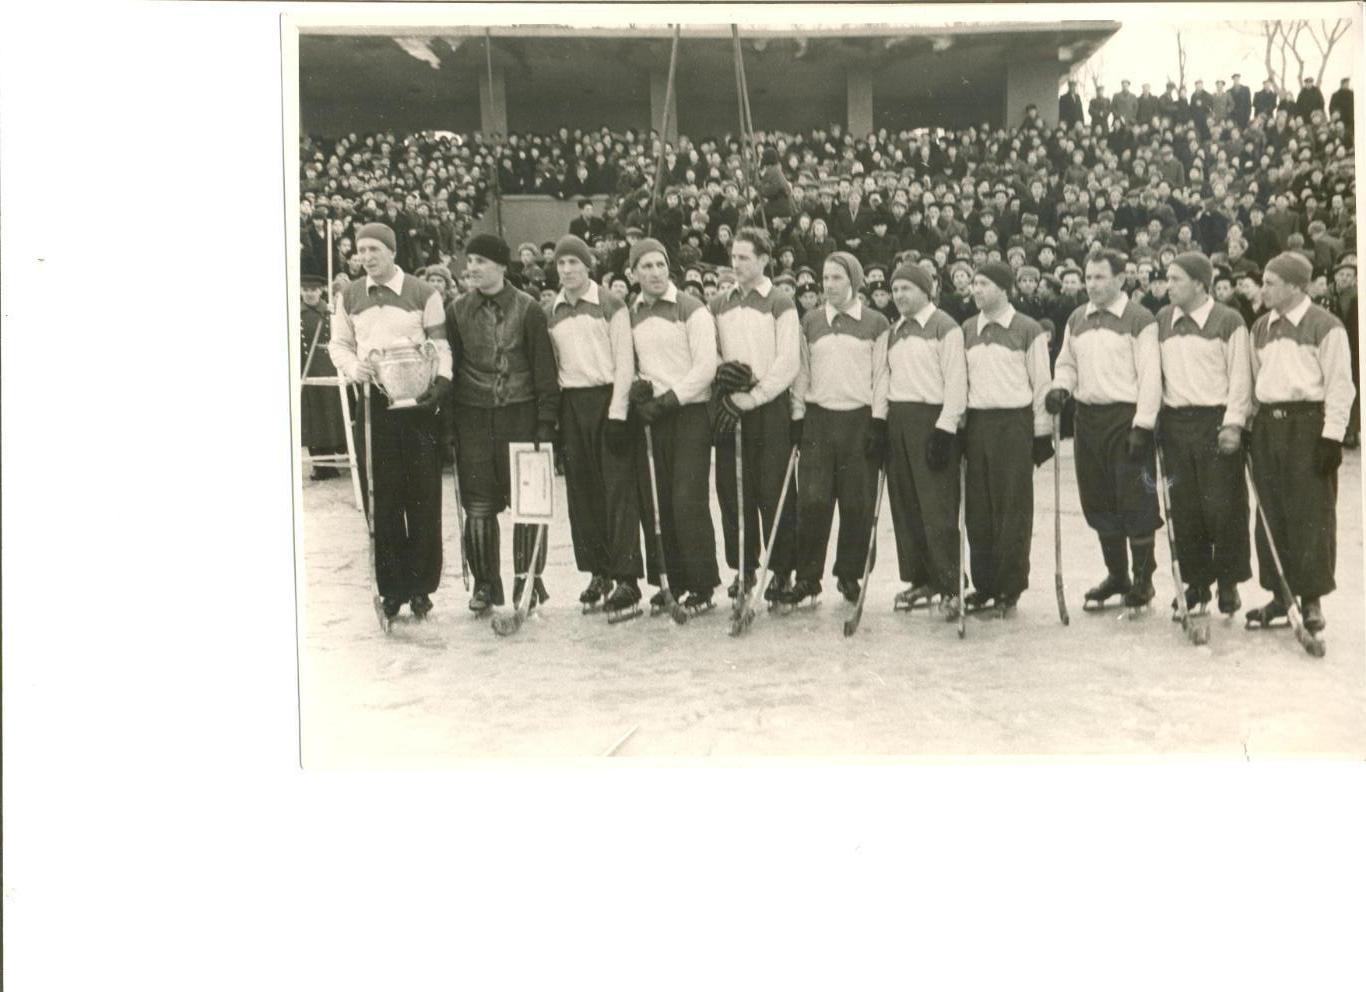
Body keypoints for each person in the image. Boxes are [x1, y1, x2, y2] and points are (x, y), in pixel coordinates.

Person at [329, 222, 453, 620]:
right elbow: (340, 344)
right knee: (382, 498)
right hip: (375, 403)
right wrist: (353, 367)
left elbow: (441, 344)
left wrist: (442, 380)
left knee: (421, 493)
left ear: (392, 251)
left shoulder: (423, 292)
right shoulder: (349, 295)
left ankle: (421, 587)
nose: (366, 257)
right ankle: (392, 588)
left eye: (374, 250)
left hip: (417, 402)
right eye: (361, 250)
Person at [447, 233, 560, 614]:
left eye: (481, 261)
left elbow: (544, 368)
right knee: (479, 506)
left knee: (528, 503)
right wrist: (450, 421)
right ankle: (484, 585)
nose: (473, 268)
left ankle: (527, 580)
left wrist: (546, 421)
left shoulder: (528, 309)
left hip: (520, 415)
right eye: (470, 261)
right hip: (474, 416)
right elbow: (453, 366)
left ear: (500, 266)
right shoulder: (457, 310)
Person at [1046, 249, 1162, 612]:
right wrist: (1060, 387)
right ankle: (1118, 575)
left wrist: (1143, 425)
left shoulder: (1139, 318)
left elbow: (1151, 377)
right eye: (1088, 277)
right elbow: (1066, 362)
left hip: (1126, 419)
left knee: (1135, 501)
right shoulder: (1078, 318)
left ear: (1120, 279)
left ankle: (1144, 580)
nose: (1091, 284)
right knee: (1098, 499)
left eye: (1099, 277)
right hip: (1088, 419)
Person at [1245, 252, 1356, 632]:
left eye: (1270, 283)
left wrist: (1332, 437)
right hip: (1268, 427)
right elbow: (1254, 382)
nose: (1263, 289)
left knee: (1311, 514)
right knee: (1271, 513)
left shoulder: (1326, 326)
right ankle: (1281, 595)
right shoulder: (1259, 327)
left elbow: (1342, 386)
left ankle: (1311, 599)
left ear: (1294, 286)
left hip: (1308, 426)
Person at [782, 252, 891, 607]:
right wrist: (797, 416)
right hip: (819, 418)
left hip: (858, 419)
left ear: (854, 282)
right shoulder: (811, 321)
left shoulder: (875, 322)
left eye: (837, 279)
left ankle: (849, 573)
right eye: (825, 279)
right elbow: (802, 373)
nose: (829, 286)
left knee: (856, 502)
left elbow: (881, 376)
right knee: (813, 501)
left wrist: (878, 419)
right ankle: (807, 578)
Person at [544, 235, 644, 618]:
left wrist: (618, 413)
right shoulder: (551, 308)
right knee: (582, 493)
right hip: (573, 403)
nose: (567, 270)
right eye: (561, 264)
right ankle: (599, 571)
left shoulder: (611, 305)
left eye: (574, 263)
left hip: (608, 400)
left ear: (588, 266)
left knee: (617, 490)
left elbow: (624, 362)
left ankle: (627, 578)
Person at [1153, 252, 1253, 617]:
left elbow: (1241, 377)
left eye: (1176, 279)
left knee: (1222, 507)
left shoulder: (1228, 320)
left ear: (1199, 283)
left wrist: (1233, 423)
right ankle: (1197, 585)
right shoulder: (1163, 320)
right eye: (1167, 278)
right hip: (1176, 425)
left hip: (1215, 422)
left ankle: (1228, 582)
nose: (1169, 285)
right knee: (1186, 508)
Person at [626, 237, 721, 614]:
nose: (654, 273)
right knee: (658, 500)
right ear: (633, 273)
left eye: (659, 265)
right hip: (652, 415)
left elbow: (705, 368)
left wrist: (670, 399)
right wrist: (640, 389)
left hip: (688, 413)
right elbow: (631, 360)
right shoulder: (631, 312)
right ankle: (671, 580)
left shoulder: (691, 308)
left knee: (687, 499)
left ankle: (702, 584)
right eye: (645, 267)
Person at [709, 227, 802, 607]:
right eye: (733, 257)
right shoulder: (718, 303)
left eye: (744, 257)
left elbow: (788, 361)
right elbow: (710, 350)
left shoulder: (780, 302)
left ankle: (782, 569)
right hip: (730, 404)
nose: (737, 264)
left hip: (769, 404)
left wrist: (758, 396)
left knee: (773, 488)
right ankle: (743, 566)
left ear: (764, 260)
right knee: (733, 490)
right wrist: (723, 379)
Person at [962, 261, 1053, 615]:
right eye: (973, 284)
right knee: (979, 509)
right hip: (978, 423)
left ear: (1003, 288)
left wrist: (1041, 430)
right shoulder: (968, 329)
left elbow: (1041, 382)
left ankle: (1009, 586)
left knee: (1011, 508)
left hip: (1014, 423)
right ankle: (984, 584)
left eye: (983, 283)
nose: (976, 290)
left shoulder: (1027, 329)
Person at [883, 263, 967, 614]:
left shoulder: (944, 326)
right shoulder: (895, 329)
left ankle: (950, 583)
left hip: (931, 420)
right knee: (906, 505)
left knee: (936, 508)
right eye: (896, 289)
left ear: (925, 290)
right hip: (899, 419)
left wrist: (945, 427)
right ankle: (922, 578)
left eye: (907, 289)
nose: (900, 295)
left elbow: (957, 381)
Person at [300, 273, 349, 480]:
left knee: (331, 412)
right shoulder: (296, 313)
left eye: (314, 290)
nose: (310, 293)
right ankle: (319, 462)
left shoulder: (329, 312)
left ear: (321, 291)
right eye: (306, 290)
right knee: (313, 415)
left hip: (329, 365)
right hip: (306, 367)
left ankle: (332, 460)